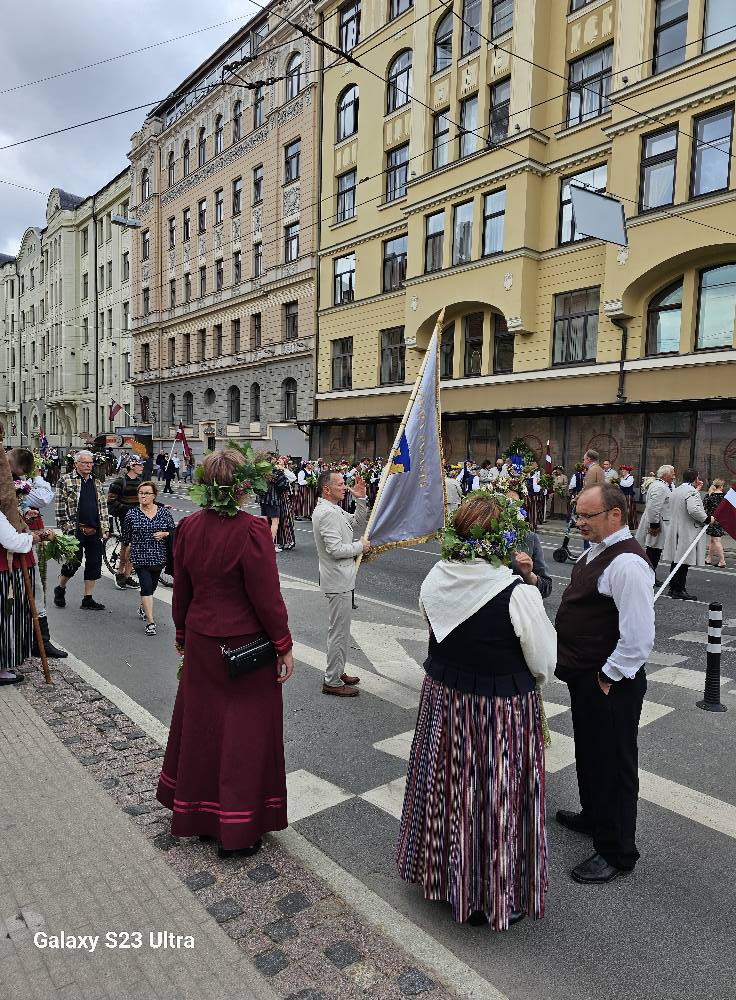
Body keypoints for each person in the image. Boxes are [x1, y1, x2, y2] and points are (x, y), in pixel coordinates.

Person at [396, 492, 555, 929]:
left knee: (448, 790)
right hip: (498, 710)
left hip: (445, 700)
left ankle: (445, 877)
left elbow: (434, 623)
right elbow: (544, 662)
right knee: (494, 797)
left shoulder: (435, 577)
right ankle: (491, 893)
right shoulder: (516, 594)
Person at [156, 449, 294, 858]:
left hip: (201, 640)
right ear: (243, 486)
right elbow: (267, 598)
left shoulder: (188, 527)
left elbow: (182, 588)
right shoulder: (252, 530)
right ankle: (238, 829)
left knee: (203, 727)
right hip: (245, 647)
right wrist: (283, 645)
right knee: (244, 734)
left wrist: (182, 633)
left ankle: (201, 817)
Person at [555, 483, 654, 884]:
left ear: (616, 514)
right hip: (588, 674)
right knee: (592, 751)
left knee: (614, 763)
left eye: (586, 516)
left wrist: (608, 676)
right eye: (577, 515)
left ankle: (616, 850)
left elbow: (639, 638)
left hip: (609, 680)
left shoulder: (627, 564)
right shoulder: (599, 550)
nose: (579, 522)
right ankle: (594, 814)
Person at [311, 470, 370, 697]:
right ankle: (332, 681)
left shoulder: (332, 509)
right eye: (340, 484)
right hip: (337, 579)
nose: (344, 487)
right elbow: (335, 550)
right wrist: (360, 547)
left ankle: (337, 671)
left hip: (341, 578)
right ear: (327, 489)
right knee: (339, 632)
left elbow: (356, 521)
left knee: (341, 632)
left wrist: (360, 498)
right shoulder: (326, 513)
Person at [7, 447, 66, 658]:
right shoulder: (6, 479)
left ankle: (41, 641)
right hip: (11, 548)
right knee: (15, 599)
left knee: (36, 593)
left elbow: (15, 508)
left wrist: (25, 514)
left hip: (21, 545)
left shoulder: (13, 480)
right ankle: (22, 643)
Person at [53, 450, 110, 611]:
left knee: (94, 564)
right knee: (73, 563)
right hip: (75, 530)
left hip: (95, 529)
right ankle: (61, 587)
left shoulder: (96, 482)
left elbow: (103, 506)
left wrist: (105, 528)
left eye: (91, 463)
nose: (89, 465)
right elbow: (59, 506)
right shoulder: (66, 480)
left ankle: (87, 598)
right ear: (76, 463)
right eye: (85, 462)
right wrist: (65, 527)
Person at [121, 482, 175, 636]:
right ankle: (150, 622)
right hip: (140, 557)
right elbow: (126, 538)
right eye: (140, 493)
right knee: (145, 587)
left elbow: (173, 531)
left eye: (146, 493)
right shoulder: (132, 514)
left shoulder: (164, 513)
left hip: (159, 557)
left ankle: (142, 607)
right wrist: (123, 562)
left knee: (151, 588)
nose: (143, 496)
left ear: (154, 496)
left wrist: (165, 534)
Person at [662, 469, 709, 601]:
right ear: (696, 478)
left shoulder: (677, 490)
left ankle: (673, 587)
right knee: (683, 561)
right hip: (686, 529)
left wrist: (697, 489)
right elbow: (694, 509)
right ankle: (679, 589)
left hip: (677, 527)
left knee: (677, 560)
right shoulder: (691, 491)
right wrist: (706, 518)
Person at [107, 455, 146, 589]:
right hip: (125, 517)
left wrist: (160, 506)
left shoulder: (140, 481)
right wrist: (129, 509)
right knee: (127, 545)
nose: (142, 467)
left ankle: (128, 576)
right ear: (131, 466)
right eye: (140, 465)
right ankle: (119, 573)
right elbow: (111, 501)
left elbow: (144, 499)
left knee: (134, 547)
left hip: (138, 517)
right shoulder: (119, 482)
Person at [635, 464, 674, 579]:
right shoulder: (660, 487)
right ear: (665, 475)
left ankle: (649, 576)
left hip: (660, 521)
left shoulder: (662, 485)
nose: (674, 476)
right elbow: (653, 508)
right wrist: (654, 525)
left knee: (654, 551)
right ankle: (648, 577)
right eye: (672, 473)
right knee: (653, 552)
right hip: (658, 523)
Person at [704, 479, 727, 569]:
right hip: (721, 520)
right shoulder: (725, 496)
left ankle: (722, 561)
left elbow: (704, 507)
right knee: (713, 540)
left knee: (716, 540)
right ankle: (709, 558)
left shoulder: (709, 495)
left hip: (712, 520)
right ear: (721, 486)